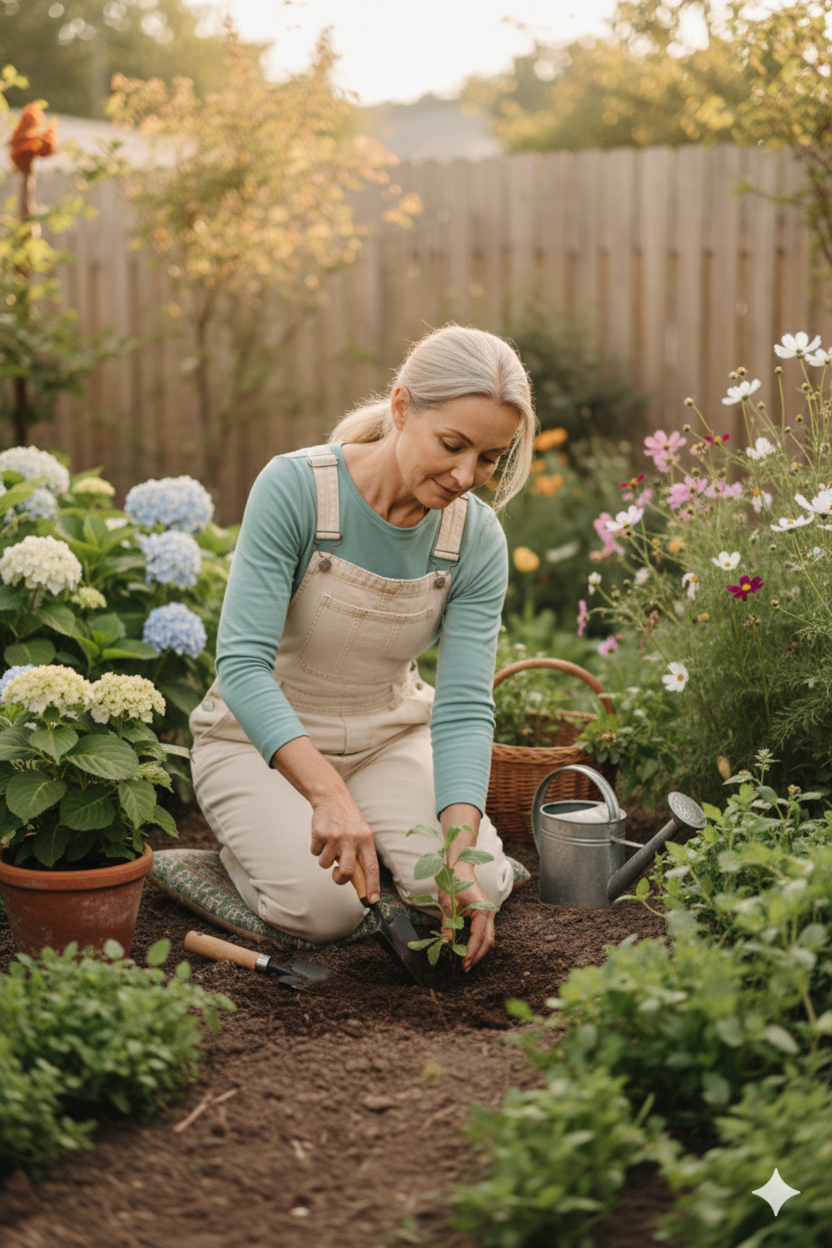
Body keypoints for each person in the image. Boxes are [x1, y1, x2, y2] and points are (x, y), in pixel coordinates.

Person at [189, 324, 536, 972]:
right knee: (325, 911)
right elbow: (240, 666)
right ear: (403, 408)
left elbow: (462, 706)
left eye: (490, 458)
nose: (467, 476)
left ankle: (375, 837)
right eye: (454, 445)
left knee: (477, 886)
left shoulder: (475, 539)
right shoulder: (296, 489)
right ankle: (241, 851)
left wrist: (459, 848)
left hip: (388, 737)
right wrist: (326, 792)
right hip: (256, 743)